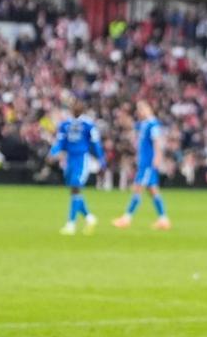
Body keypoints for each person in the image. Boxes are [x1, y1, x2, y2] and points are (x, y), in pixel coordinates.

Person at [113, 99, 171, 230]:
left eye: (142, 109)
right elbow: (131, 126)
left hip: (148, 163)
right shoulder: (144, 124)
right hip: (144, 162)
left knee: (137, 189)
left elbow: (157, 141)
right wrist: (124, 114)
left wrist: (157, 156)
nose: (140, 112)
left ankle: (127, 218)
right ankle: (164, 220)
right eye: (138, 110)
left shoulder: (153, 124)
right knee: (153, 191)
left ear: (148, 109)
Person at [49, 103, 104, 235]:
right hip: (69, 160)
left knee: (76, 187)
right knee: (74, 191)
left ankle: (71, 224)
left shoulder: (88, 125)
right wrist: (53, 151)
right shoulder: (65, 125)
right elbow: (60, 142)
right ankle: (89, 218)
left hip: (82, 159)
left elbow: (95, 143)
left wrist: (101, 159)